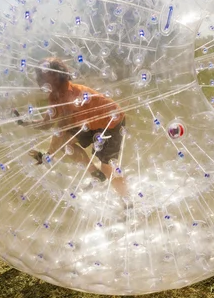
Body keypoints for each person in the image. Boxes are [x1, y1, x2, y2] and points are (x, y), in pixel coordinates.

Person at [14, 58, 128, 198]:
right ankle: (96, 174)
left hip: (111, 122)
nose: (40, 78)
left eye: (44, 74)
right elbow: (47, 124)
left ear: (57, 76)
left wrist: (48, 155)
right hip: (88, 124)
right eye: (40, 74)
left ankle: (128, 204)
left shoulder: (70, 96)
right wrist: (24, 122)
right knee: (65, 144)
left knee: (108, 168)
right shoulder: (54, 96)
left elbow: (62, 129)